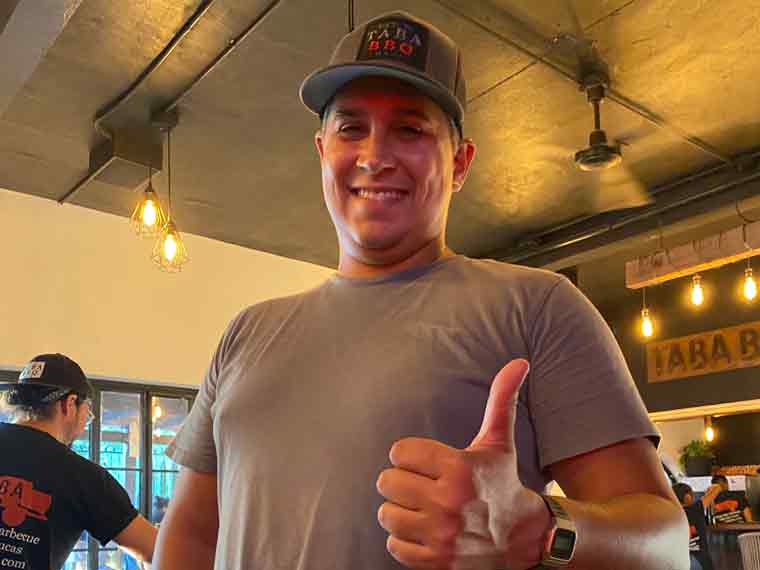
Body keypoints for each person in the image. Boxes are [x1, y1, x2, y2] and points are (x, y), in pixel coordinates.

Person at [153, 11, 688, 570]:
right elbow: (191, 535)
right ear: (321, 151)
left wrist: (538, 530)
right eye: (350, 128)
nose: (374, 156)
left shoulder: (537, 308)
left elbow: (669, 548)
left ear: (460, 162)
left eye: (409, 129)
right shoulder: (245, 333)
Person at [0, 354, 157, 569]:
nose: (85, 422)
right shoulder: (82, 476)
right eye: (87, 411)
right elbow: (156, 550)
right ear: (70, 403)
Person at [673, 482, 722, 570]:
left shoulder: (671, 514)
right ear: (687, 497)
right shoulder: (695, 509)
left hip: (679, 561)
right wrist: (709, 490)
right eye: (692, 495)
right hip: (699, 560)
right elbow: (718, 488)